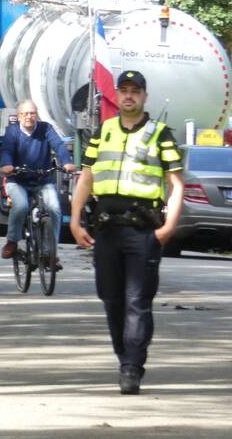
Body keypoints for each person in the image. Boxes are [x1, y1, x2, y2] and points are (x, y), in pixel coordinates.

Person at [69, 70, 184, 395]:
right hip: (106, 230)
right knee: (111, 299)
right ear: (117, 96)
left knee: (137, 301)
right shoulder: (103, 132)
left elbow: (176, 185)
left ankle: (131, 366)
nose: (129, 95)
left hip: (142, 230)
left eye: (136, 90)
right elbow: (87, 178)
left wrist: (168, 227)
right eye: (124, 90)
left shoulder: (160, 134)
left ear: (144, 96)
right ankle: (126, 356)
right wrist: (75, 219)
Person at [0, 99, 76, 265]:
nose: (29, 116)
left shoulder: (45, 128)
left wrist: (66, 161)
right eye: (25, 113)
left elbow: (58, 145)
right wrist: (7, 165)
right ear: (19, 116)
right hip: (17, 180)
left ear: (37, 115)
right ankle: (12, 241)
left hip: (42, 179)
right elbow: (7, 151)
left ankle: (51, 251)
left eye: (32, 113)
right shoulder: (12, 132)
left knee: (54, 208)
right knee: (21, 206)